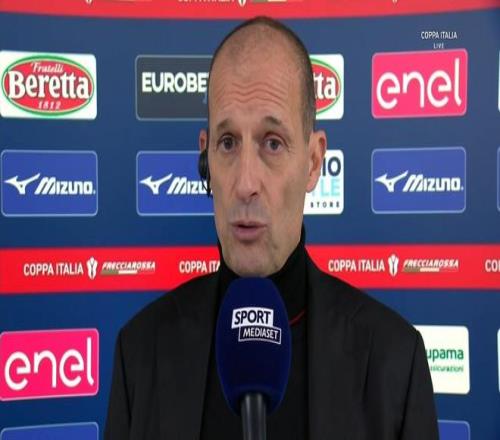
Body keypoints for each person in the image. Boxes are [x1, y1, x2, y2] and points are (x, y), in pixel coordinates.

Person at [105, 16, 438, 439]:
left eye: (272, 143)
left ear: (313, 162)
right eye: (228, 143)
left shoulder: (394, 361)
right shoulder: (139, 352)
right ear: (206, 159)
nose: (246, 183)